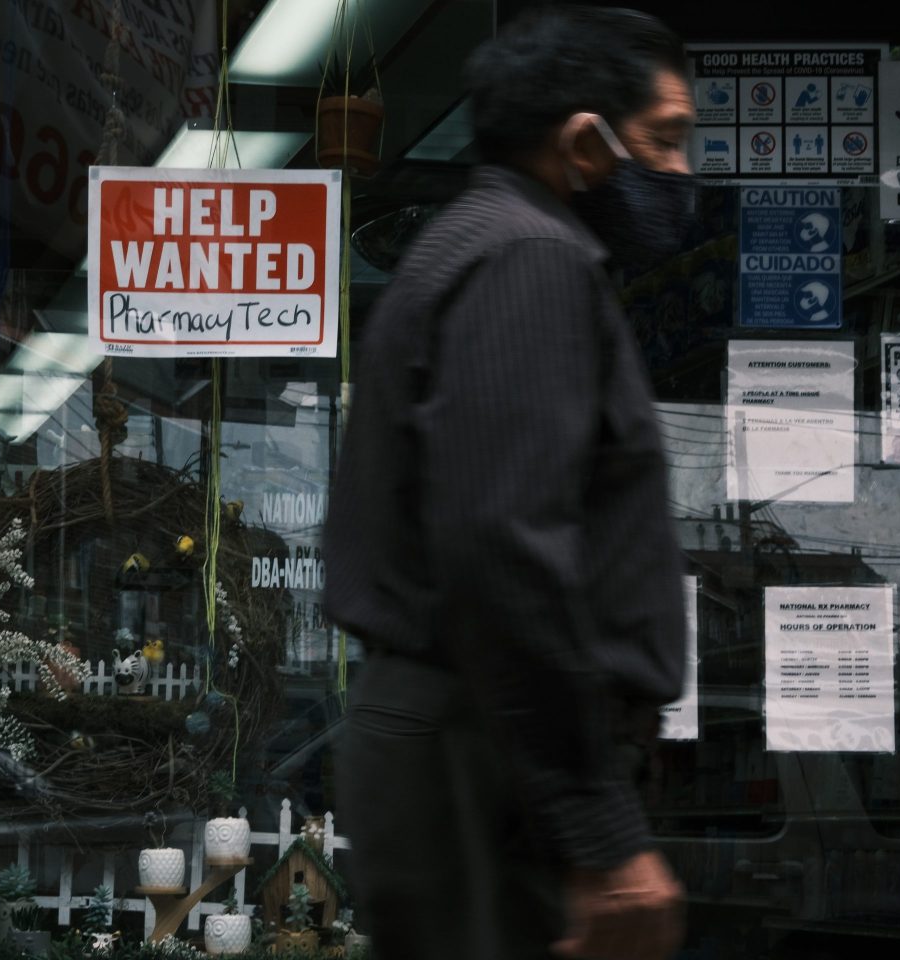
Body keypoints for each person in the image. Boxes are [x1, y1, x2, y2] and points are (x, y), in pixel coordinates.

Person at [323, 7, 696, 960]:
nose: (681, 170)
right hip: (482, 762)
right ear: (584, 142)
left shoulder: (485, 243)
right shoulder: (530, 259)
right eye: (664, 139)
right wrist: (600, 831)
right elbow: (503, 546)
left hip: (475, 748)